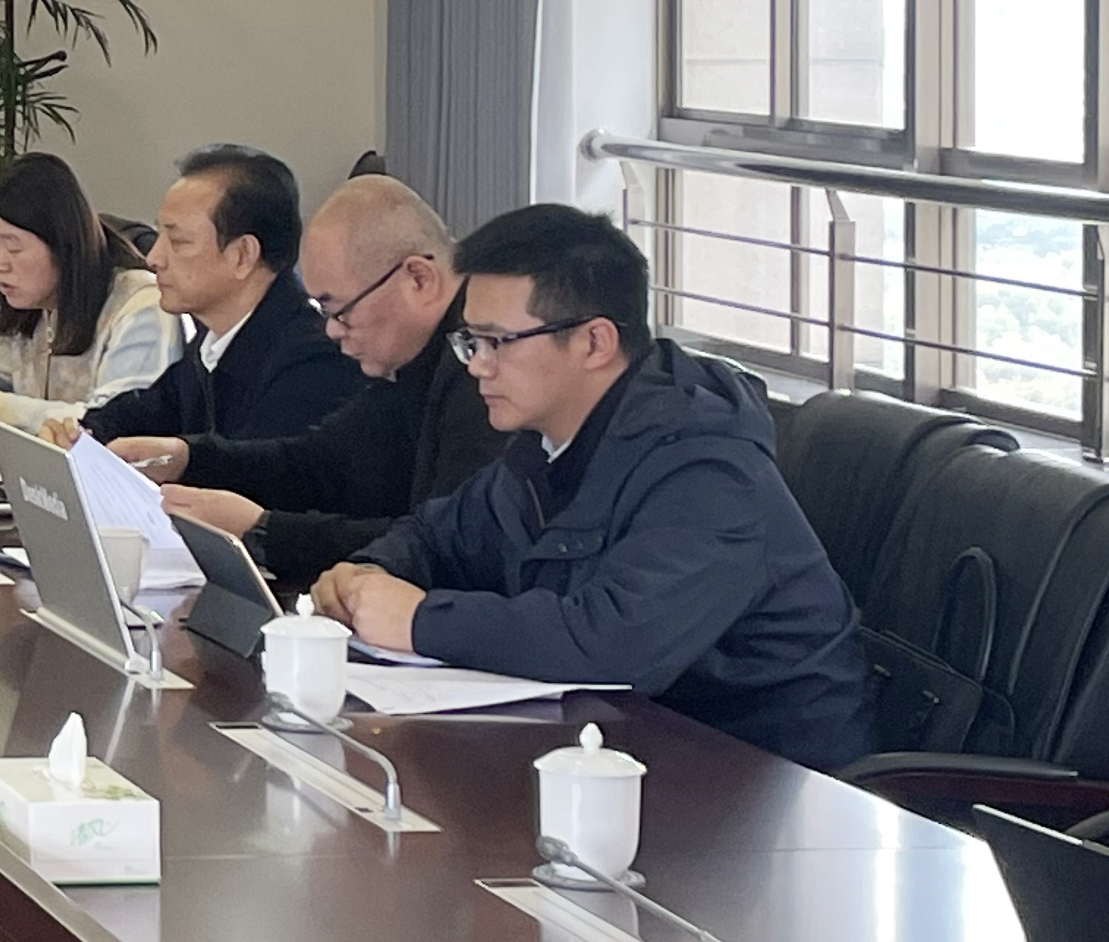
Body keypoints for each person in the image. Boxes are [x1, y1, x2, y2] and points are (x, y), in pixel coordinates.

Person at [311, 204, 872, 769]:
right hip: (625, 749)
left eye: (497, 342)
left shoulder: (709, 468)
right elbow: (439, 535)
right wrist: (368, 574)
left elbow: (613, 642)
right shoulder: (544, 446)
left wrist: (420, 621)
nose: (477, 365)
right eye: (470, 341)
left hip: (768, 773)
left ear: (594, 342)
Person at [112, 176, 506, 584]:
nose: (331, 330)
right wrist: (187, 459)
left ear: (418, 279)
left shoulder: (484, 371)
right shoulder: (408, 358)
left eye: (340, 310)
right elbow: (322, 463)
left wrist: (263, 530)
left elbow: (448, 548)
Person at [84, 145, 366, 449]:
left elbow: (252, 473)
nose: (153, 258)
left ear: (243, 255)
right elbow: (145, 413)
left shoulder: (311, 365)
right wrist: (84, 433)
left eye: (178, 241)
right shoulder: (210, 343)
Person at [0, 152, 172, 439]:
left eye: (14, 248)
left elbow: (110, 425)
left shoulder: (141, 307)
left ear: (63, 243)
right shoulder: (29, 309)